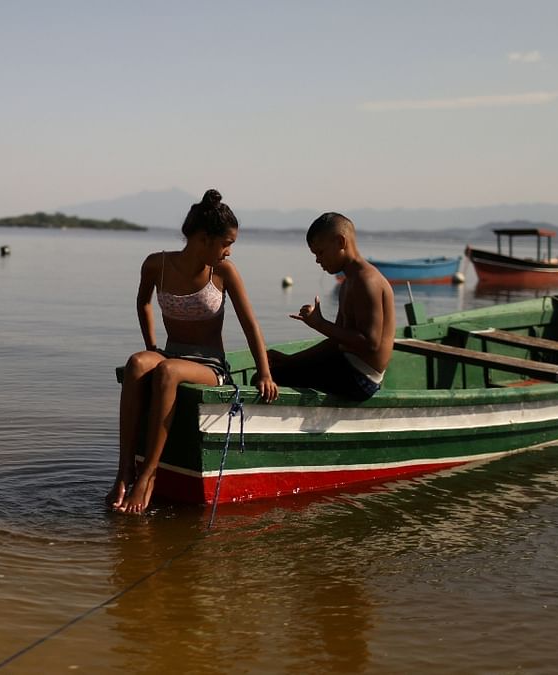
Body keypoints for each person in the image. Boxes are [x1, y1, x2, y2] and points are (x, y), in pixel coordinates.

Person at [109, 189, 279, 515]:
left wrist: (265, 372)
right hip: (171, 353)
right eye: (226, 243)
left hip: (209, 365)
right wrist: (151, 346)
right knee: (136, 364)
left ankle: (148, 475)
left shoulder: (224, 273)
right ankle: (124, 470)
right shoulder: (156, 265)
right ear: (202, 239)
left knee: (167, 371)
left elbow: (250, 325)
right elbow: (143, 302)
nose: (229, 251)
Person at [269, 212, 395, 400]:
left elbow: (371, 343)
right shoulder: (349, 282)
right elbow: (338, 342)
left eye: (320, 252)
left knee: (270, 378)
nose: (318, 260)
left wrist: (320, 324)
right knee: (276, 368)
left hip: (361, 379)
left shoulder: (367, 281)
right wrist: (290, 360)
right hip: (346, 364)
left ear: (340, 242)